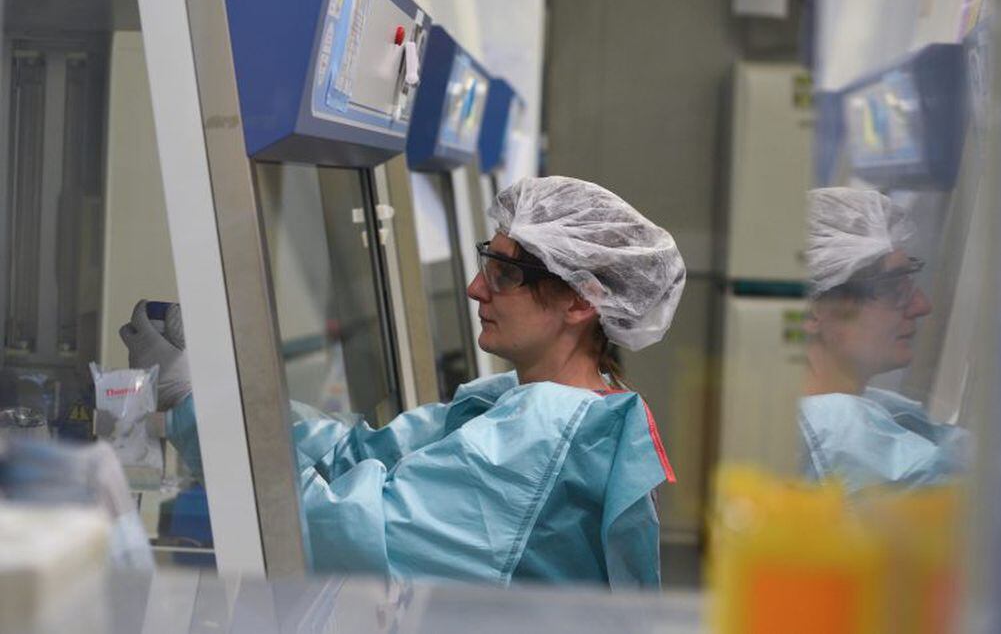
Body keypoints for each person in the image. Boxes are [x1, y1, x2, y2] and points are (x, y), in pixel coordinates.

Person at [122, 176, 686, 588]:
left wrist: (198, 407)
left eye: (506, 274)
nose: (473, 288)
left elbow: (342, 533)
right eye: (487, 263)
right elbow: (354, 451)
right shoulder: (533, 407)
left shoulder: (544, 434)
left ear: (581, 301)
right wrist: (229, 394)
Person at [800, 187, 970, 493]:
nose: (922, 306)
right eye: (893, 289)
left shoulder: (879, 409)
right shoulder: (833, 431)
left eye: (911, 283)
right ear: (812, 312)